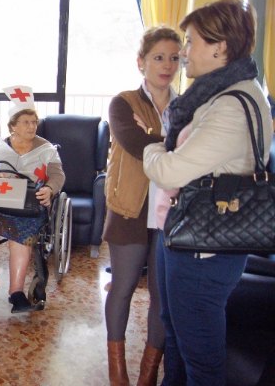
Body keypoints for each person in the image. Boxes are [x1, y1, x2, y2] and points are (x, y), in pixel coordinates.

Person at [143, 0, 272, 385]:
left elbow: (170, 169)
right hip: (186, 232)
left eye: (191, 41)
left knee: (201, 356)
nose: (184, 53)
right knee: (175, 329)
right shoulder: (222, 93)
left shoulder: (231, 106)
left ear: (219, 47)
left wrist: (151, 147)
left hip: (204, 249)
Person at [102, 27, 181, 386]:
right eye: (158, 57)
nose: (167, 65)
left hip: (172, 214)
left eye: (174, 58)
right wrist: (170, 142)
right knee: (123, 287)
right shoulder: (123, 103)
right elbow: (134, 143)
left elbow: (193, 149)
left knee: (162, 300)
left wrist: (154, 137)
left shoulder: (187, 107)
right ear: (141, 62)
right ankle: (117, 371)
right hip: (129, 210)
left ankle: (148, 374)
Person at [0, 86, 65, 313]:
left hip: (29, 205)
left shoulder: (47, 149)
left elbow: (58, 175)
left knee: (22, 227)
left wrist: (49, 188)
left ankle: (16, 291)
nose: (32, 126)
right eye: (26, 122)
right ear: (13, 126)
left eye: (34, 122)